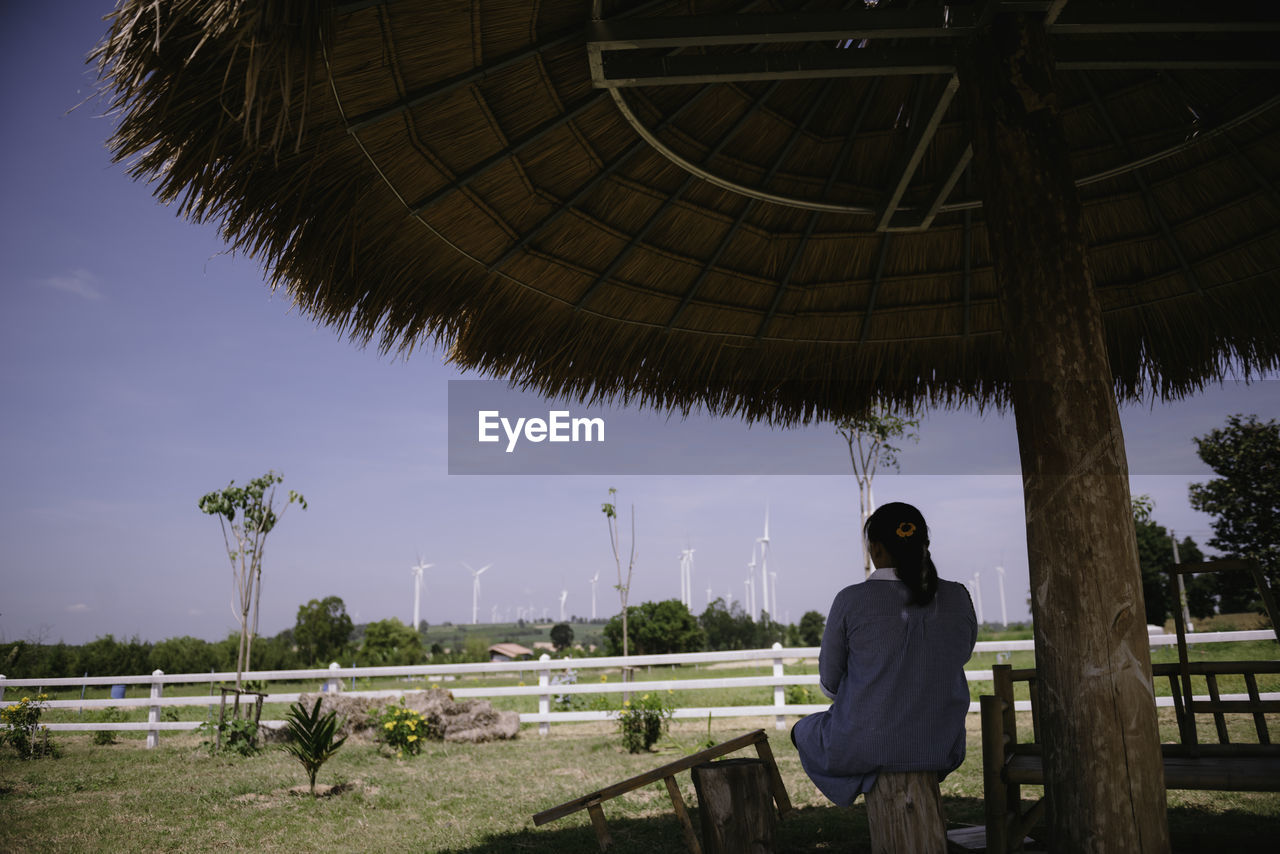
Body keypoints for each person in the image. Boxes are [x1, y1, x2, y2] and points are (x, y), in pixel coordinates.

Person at [790, 501, 977, 806]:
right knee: (887, 743)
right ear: (925, 546)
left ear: (875, 549)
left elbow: (830, 686)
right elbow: (959, 656)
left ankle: (870, 775)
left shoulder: (851, 600)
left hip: (866, 743)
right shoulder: (959, 596)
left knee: (804, 730)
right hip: (941, 745)